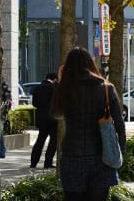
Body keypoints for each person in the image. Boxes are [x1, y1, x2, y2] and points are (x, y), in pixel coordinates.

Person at [52, 47, 126, 201]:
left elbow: (56, 114)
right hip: (101, 156)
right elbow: (119, 124)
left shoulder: (64, 88)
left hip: (72, 155)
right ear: (90, 63)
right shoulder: (106, 87)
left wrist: (59, 81)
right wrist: (121, 151)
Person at [30, 72, 58, 169]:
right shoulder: (54, 88)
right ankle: (48, 163)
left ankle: (33, 162)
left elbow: (34, 103)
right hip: (52, 119)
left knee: (40, 140)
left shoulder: (37, 88)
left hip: (41, 118)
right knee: (53, 141)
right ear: (54, 79)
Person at [0, 80, 12, 159]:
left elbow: (8, 102)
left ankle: (2, 152)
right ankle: (1, 152)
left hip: (1, 115)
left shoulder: (4, 89)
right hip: (2, 115)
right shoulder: (5, 89)